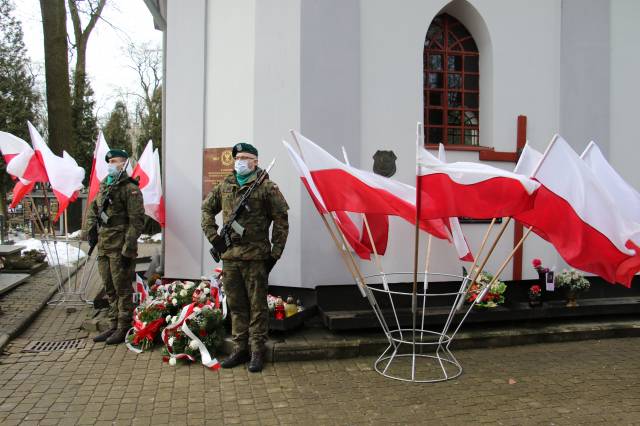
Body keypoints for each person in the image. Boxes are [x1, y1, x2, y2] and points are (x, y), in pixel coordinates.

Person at [201, 142, 289, 372]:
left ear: (255, 161)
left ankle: (257, 351)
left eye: (245, 157)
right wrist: (214, 238)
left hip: (255, 258)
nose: (240, 161)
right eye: (237, 157)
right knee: (236, 305)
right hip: (230, 257)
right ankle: (240, 349)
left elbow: (281, 221)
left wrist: (275, 253)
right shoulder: (226, 185)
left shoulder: (267, 187)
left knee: (257, 306)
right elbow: (206, 209)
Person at [88, 149, 145, 345]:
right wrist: (90, 231)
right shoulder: (105, 185)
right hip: (104, 246)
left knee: (122, 288)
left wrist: (128, 248)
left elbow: (137, 220)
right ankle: (113, 324)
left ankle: (123, 326)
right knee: (109, 288)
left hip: (120, 247)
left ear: (124, 163)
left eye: (114, 161)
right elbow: (93, 210)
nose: (110, 164)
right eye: (109, 161)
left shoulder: (130, 188)